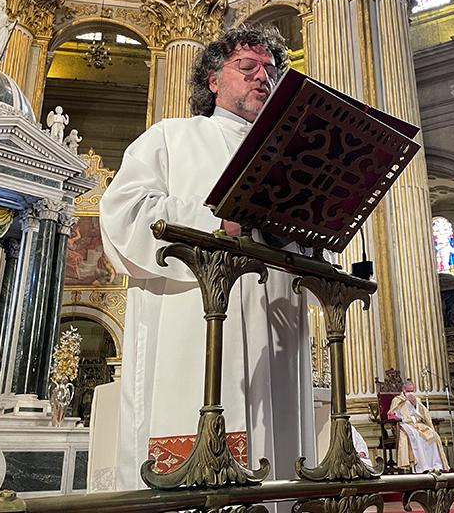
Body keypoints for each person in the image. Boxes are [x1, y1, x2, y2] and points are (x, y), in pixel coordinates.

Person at [98, 26, 314, 490]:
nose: (263, 79)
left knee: (277, 480)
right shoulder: (171, 138)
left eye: (271, 72)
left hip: (275, 342)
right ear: (213, 79)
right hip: (193, 330)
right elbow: (125, 212)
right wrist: (218, 222)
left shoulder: (291, 162)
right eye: (248, 67)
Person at [388, 380, 448, 473]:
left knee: (432, 434)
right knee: (416, 436)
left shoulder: (417, 399)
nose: (410, 393)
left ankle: (434, 465)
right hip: (404, 424)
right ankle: (420, 466)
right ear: (403, 389)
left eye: (412, 390)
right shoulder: (397, 400)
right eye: (408, 391)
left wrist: (415, 404)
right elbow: (392, 413)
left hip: (418, 424)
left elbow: (424, 414)